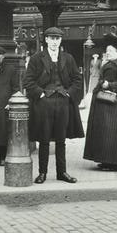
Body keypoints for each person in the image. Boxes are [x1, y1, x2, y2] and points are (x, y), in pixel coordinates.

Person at [24, 27, 83, 184]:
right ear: (46, 40)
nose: (55, 42)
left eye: (57, 39)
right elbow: (28, 81)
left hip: (63, 102)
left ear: (60, 40)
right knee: (44, 139)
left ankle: (61, 172)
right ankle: (42, 173)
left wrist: (69, 93)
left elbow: (77, 79)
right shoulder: (37, 58)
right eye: (52, 38)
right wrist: (41, 94)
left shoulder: (68, 58)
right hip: (44, 103)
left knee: (61, 139)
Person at [83, 34, 117, 171]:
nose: (107, 53)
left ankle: (115, 162)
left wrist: (109, 85)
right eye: (107, 51)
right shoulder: (108, 64)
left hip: (116, 105)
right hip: (105, 102)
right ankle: (106, 160)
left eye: (110, 51)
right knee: (105, 132)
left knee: (114, 132)